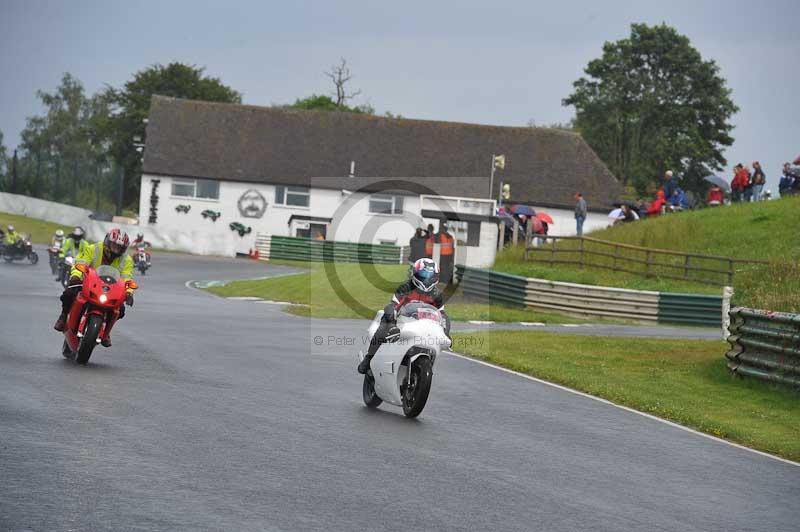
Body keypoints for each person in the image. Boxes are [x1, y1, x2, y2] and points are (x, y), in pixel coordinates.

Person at [357, 258, 448, 374]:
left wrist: (446, 333)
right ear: (414, 274)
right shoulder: (406, 287)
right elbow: (392, 305)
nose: (426, 281)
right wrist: (391, 318)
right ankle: (368, 359)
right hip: (402, 320)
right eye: (423, 276)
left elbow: (442, 315)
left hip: (423, 324)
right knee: (385, 322)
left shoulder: (436, 294)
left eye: (430, 277)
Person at [53, 228, 136, 347]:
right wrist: (76, 276)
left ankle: (106, 331)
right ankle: (63, 316)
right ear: (107, 241)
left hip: (109, 289)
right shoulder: (93, 249)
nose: (117, 250)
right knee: (68, 294)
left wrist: (129, 292)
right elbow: (81, 263)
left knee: (120, 310)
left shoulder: (127, 260)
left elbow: (127, 277)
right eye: (114, 245)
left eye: (120, 248)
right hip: (88, 283)